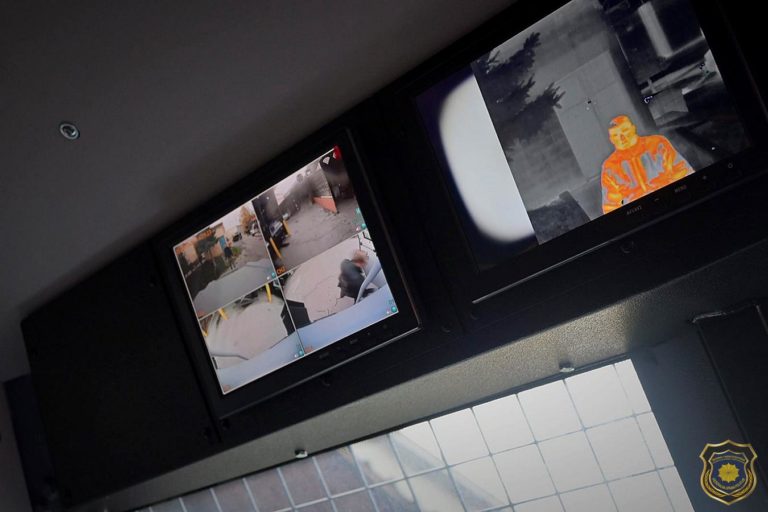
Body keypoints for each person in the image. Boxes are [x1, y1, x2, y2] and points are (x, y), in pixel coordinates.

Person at [601, 115, 693, 214]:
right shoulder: (609, 166)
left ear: (633, 128)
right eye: (616, 135)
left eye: (625, 130)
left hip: (671, 201)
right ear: (611, 139)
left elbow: (684, 171)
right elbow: (610, 207)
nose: (622, 137)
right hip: (639, 214)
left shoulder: (657, 143)